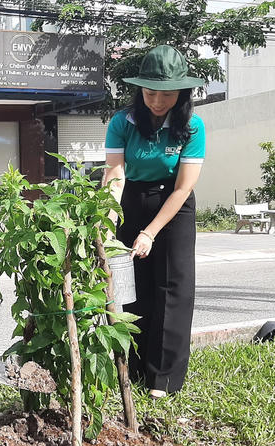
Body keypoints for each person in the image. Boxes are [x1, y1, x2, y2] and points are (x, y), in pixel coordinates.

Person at [102, 45, 206, 399]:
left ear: (182, 93)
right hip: (131, 199)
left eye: (166, 94)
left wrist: (149, 233)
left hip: (173, 206)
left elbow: (183, 188)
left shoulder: (192, 126)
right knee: (132, 289)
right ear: (139, 90)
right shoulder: (122, 122)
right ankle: (132, 371)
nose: (158, 102)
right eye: (150, 93)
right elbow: (116, 176)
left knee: (172, 290)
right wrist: (106, 221)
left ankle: (163, 380)